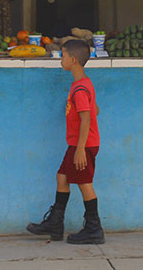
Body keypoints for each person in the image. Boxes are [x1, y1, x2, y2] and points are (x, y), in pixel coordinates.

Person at [27, 38, 105, 244]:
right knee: (62, 177)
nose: (60, 60)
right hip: (80, 143)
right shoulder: (84, 84)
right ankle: (55, 223)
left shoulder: (79, 89)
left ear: (73, 60)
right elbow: (95, 110)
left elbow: (87, 117)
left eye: (62, 56)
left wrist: (80, 149)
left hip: (83, 145)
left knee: (84, 184)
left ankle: (94, 229)